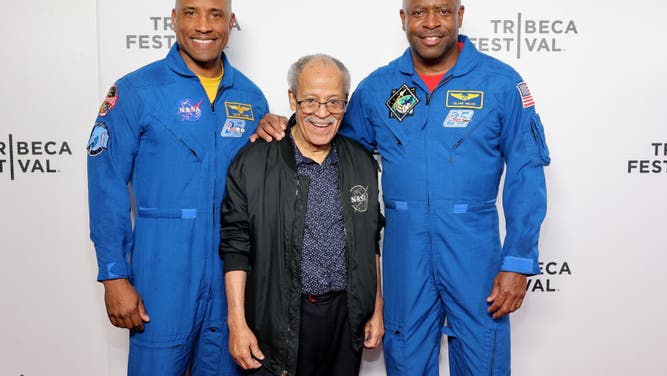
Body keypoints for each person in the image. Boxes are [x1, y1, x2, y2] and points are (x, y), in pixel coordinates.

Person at [253, 1, 551, 375]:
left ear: (459, 15)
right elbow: (328, 142)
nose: (430, 23)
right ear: (403, 18)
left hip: (474, 254)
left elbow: (527, 172)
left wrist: (518, 261)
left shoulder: (500, 83)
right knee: (407, 363)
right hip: (404, 254)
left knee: (483, 364)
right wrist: (282, 126)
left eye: (442, 11)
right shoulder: (379, 88)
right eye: (419, 11)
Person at [86, 0, 268, 374]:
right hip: (161, 275)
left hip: (230, 279)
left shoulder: (251, 99)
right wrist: (114, 275)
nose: (204, 26)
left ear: (230, 23)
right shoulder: (137, 91)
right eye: (191, 13)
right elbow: (107, 184)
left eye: (215, 14)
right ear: (173, 19)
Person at [220, 54, 384, 376]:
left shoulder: (362, 162)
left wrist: (376, 307)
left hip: (345, 319)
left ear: (345, 104)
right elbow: (235, 247)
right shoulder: (254, 162)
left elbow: (371, 239)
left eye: (333, 102)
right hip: (281, 319)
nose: (322, 113)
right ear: (292, 98)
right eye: (310, 100)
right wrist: (236, 323)